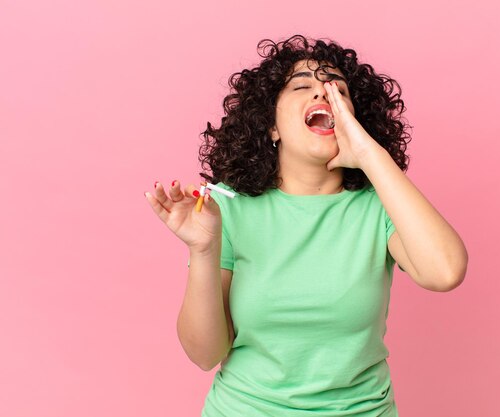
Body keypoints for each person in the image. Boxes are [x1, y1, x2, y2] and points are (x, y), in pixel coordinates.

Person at [145, 34, 467, 417]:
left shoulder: (379, 205)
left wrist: (367, 153)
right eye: (302, 86)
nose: (322, 94)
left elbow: (445, 272)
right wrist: (202, 250)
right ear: (271, 127)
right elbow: (204, 354)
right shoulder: (227, 207)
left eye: (338, 90)